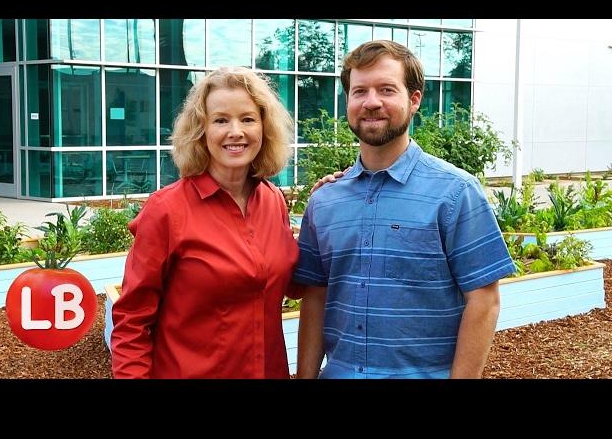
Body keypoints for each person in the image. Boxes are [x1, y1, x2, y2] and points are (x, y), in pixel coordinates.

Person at [293, 40, 516, 379]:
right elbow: (315, 297)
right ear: (348, 100)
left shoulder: (456, 192)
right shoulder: (326, 200)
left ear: (414, 100)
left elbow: (484, 302)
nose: (371, 102)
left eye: (386, 89)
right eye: (359, 91)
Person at [110, 66, 303, 379]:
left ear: (264, 129)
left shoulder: (273, 201)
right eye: (221, 120)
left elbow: (292, 283)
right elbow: (131, 321)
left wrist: (330, 203)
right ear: (201, 130)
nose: (236, 131)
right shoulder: (167, 210)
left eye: (248, 119)